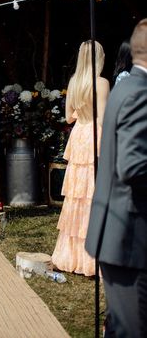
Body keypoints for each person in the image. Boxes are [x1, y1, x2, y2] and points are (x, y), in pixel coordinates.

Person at [86, 20, 147, 337]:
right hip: (129, 237)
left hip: (118, 232)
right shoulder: (140, 93)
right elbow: (133, 165)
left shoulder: (125, 86)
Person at [51, 41, 109, 276]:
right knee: (94, 193)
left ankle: (72, 254)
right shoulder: (102, 83)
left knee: (77, 196)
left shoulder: (74, 82)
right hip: (95, 134)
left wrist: (80, 111)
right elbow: (104, 118)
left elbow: (67, 118)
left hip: (79, 135)